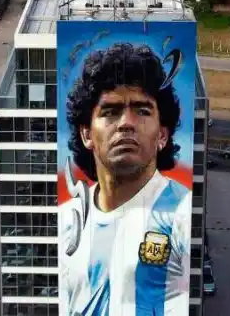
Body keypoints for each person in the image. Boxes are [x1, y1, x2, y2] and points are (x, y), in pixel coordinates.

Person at [59, 42, 191, 316]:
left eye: (142, 111)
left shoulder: (184, 214)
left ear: (163, 135)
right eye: (110, 111)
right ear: (86, 134)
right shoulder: (65, 220)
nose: (126, 123)